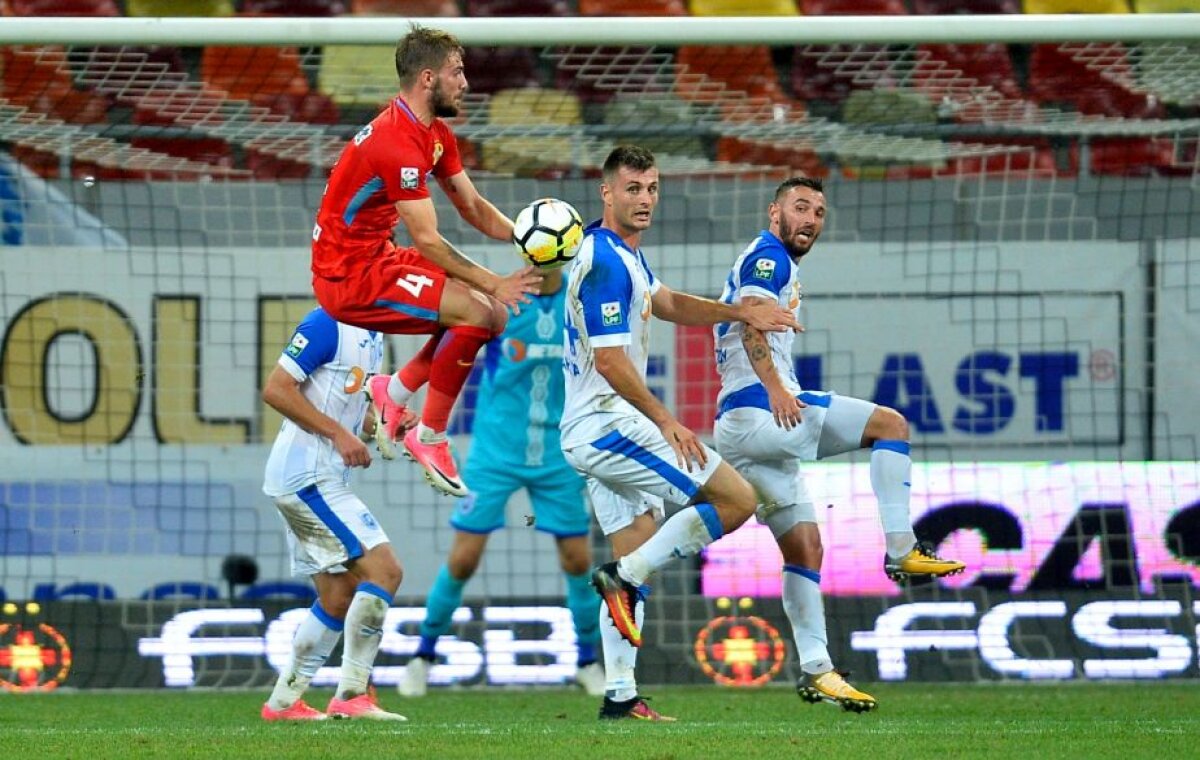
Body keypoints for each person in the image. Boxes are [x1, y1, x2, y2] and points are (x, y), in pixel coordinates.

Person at [561, 145, 798, 721]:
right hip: (607, 426)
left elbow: (666, 303)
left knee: (636, 547)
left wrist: (742, 314)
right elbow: (614, 362)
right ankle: (623, 576)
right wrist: (666, 422)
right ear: (607, 193)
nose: (645, 199)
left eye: (652, 188)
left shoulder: (624, 255)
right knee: (738, 499)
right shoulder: (607, 262)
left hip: (598, 428)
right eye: (633, 188)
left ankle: (619, 695)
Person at [712, 176, 966, 712]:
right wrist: (779, 389)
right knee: (891, 425)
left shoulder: (774, 260)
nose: (810, 220)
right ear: (773, 211)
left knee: (804, 547)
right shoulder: (769, 259)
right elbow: (753, 320)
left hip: (744, 431)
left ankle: (817, 671)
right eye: (799, 208)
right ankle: (902, 550)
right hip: (766, 411)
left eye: (819, 212)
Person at [310, 24, 541, 499]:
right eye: (458, 72)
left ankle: (392, 392)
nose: (467, 83)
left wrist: (530, 238)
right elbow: (431, 241)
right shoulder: (396, 142)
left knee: (491, 315)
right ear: (429, 78)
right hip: (349, 277)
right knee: (477, 309)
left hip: (378, 256)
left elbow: (473, 208)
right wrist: (494, 280)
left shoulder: (434, 133)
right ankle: (430, 436)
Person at [397, 266, 605, 698]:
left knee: (577, 562)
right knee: (463, 560)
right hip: (495, 451)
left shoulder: (580, 301)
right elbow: (445, 349)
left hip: (557, 452)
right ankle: (423, 656)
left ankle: (588, 661)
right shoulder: (502, 301)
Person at [260, 306, 412, 721]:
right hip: (306, 475)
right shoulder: (326, 323)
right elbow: (276, 389)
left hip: (313, 477)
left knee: (338, 594)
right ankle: (352, 693)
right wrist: (337, 433)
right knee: (385, 571)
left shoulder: (374, 332)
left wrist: (386, 424)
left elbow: (346, 410)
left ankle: (283, 702)